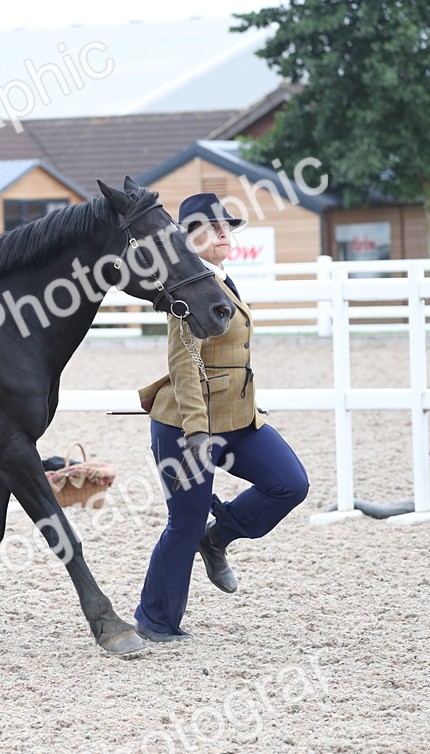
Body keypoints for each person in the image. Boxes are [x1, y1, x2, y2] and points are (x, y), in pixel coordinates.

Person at [134, 192, 309, 642]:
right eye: (210, 228)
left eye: (225, 226)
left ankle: (217, 538)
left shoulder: (224, 279)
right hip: (186, 426)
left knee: (290, 484)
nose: (222, 233)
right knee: (185, 521)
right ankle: (155, 620)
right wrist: (196, 431)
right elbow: (184, 364)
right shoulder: (186, 288)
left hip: (238, 418)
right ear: (187, 239)